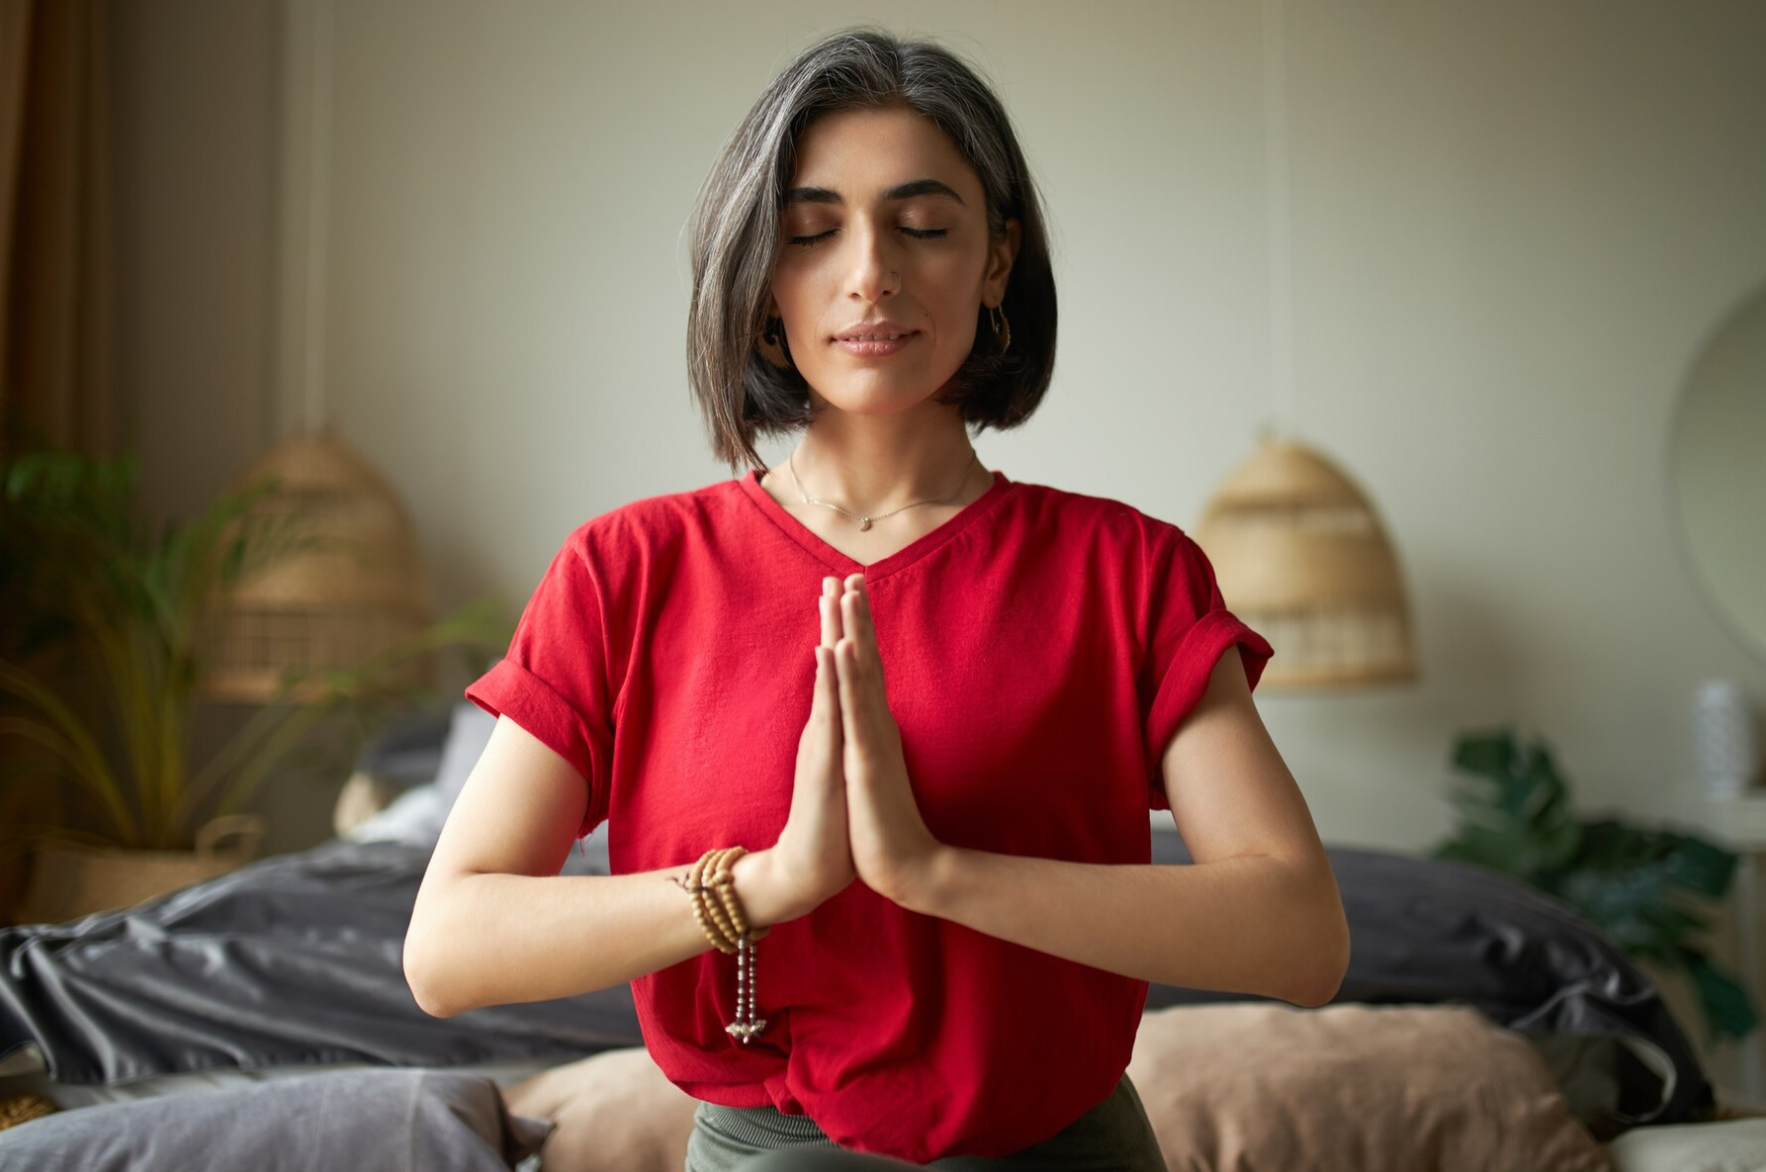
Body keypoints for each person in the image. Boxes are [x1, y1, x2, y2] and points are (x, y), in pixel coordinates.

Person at [404, 28, 1350, 1171]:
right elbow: (448, 947)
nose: (869, 273)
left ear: (997, 261)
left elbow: (1300, 935)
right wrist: (769, 883)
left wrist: (932, 871)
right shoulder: (627, 570)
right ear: (761, 277)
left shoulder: (1127, 571)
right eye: (812, 232)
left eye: (923, 226)